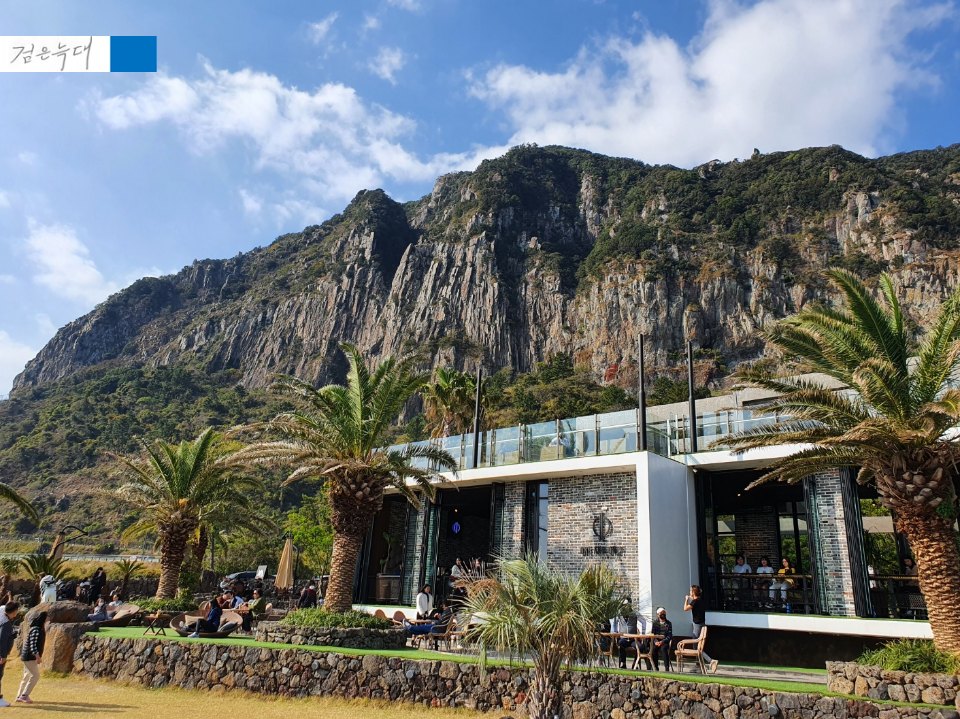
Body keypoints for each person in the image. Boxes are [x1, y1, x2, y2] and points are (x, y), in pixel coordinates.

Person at [684, 585, 718, 674]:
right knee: (697, 646)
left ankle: (710, 661)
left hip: (697, 625)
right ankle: (698, 665)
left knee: (697, 647)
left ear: (693, 592)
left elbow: (685, 608)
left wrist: (687, 600)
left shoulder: (694, 602)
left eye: (691, 591)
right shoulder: (701, 601)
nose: (690, 592)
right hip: (702, 624)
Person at [16, 610, 45, 704]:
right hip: (29, 657)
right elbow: (33, 645)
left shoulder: (35, 629)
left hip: (27, 656)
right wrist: (37, 656)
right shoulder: (36, 630)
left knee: (27, 676)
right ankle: (24, 695)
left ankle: (19, 696)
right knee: (35, 676)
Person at [616, 598, 648, 669]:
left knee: (640, 647)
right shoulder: (619, 613)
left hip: (633, 639)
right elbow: (614, 622)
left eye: (627, 605)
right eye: (624, 605)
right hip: (623, 638)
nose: (625, 607)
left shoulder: (635, 613)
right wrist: (615, 632)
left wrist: (643, 633)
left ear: (630, 605)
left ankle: (635, 663)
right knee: (621, 644)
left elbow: (643, 621)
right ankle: (623, 663)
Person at [0, 602, 20, 707]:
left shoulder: (3, 619)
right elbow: (2, 640)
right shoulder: (6, 623)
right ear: (14, 612)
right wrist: (3, 655)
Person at [649, 607, 673, 672]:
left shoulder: (668, 623)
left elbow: (669, 635)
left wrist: (662, 641)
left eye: (664, 612)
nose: (663, 614)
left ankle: (666, 668)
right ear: (658, 615)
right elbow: (653, 634)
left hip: (665, 641)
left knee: (664, 648)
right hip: (657, 641)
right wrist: (656, 642)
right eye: (661, 613)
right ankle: (656, 667)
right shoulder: (655, 623)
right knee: (654, 649)